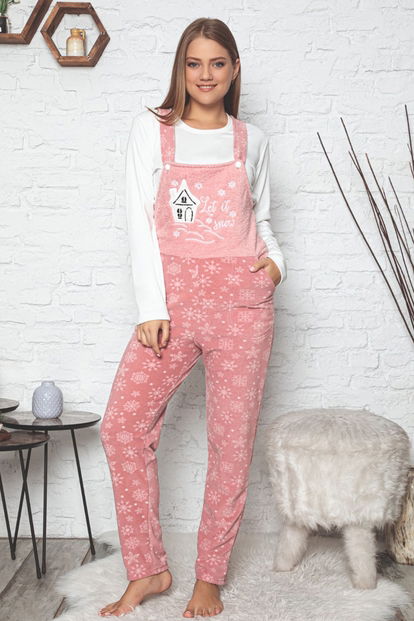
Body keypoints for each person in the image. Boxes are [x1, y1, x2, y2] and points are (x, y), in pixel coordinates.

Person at [99, 16, 287, 619]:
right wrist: (152, 308)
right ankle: (149, 569)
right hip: (172, 308)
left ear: (234, 70)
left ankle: (211, 575)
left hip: (243, 307)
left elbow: (263, 220)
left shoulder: (252, 141)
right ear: (180, 69)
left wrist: (275, 265)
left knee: (230, 442)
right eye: (194, 63)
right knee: (122, 426)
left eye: (218, 63)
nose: (206, 75)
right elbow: (138, 221)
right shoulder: (152, 131)